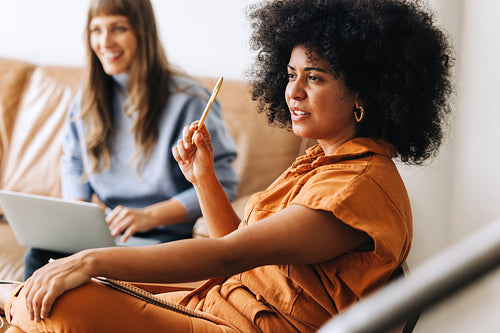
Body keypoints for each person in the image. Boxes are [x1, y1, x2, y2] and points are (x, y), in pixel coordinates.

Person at [0, 0, 452, 331]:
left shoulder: (359, 186)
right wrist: (202, 178)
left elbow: (229, 254)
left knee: (51, 303)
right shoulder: (321, 162)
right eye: (291, 74)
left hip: (237, 326)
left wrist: (89, 258)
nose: (292, 91)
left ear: (364, 95)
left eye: (314, 77)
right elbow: (239, 246)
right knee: (40, 294)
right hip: (213, 302)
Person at [21, 0, 238, 280]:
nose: (105, 42)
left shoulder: (191, 101)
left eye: (118, 28)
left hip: (163, 242)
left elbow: (224, 185)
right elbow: (74, 161)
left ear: (142, 32)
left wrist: (148, 216)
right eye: (96, 30)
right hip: (108, 235)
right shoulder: (87, 99)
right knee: (38, 256)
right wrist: (78, 212)